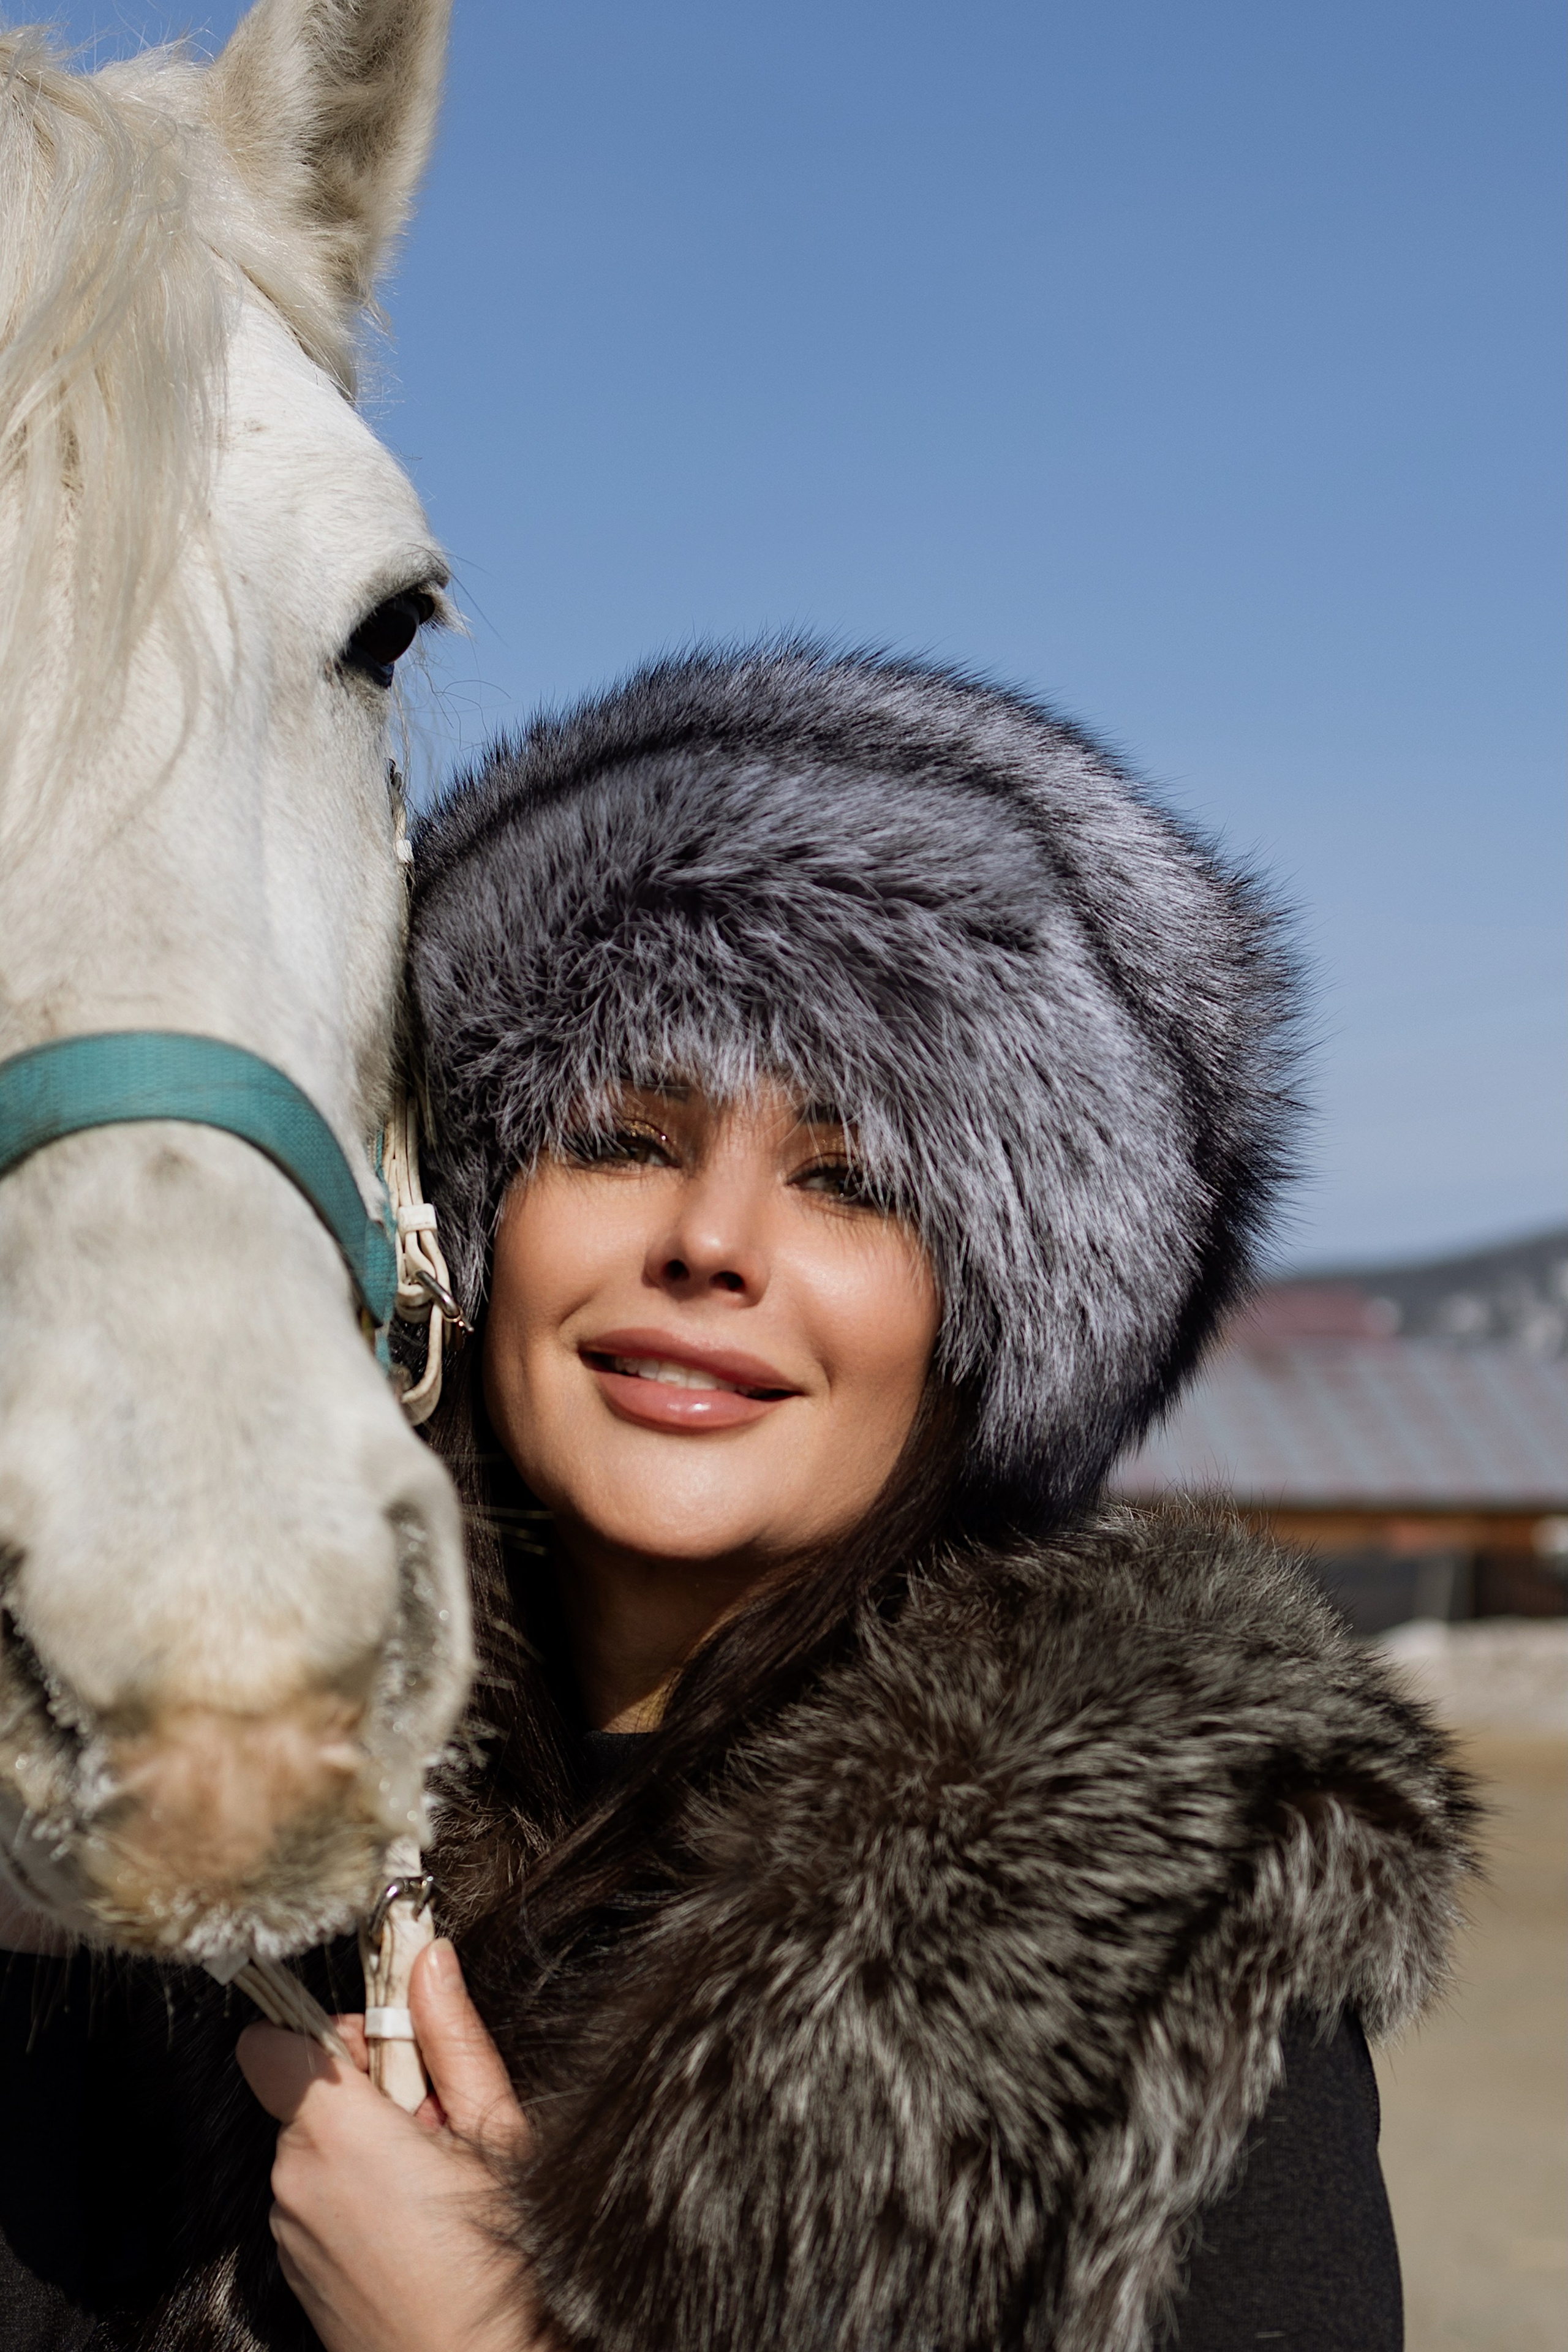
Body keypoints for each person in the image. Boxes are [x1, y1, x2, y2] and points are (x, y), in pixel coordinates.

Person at [1, 643, 1470, 2352]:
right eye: (621, 1141)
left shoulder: (1169, 1944)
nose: (710, 1244)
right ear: (459, 1232)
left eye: (848, 1183)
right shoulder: (183, 1830)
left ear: (978, 1327)